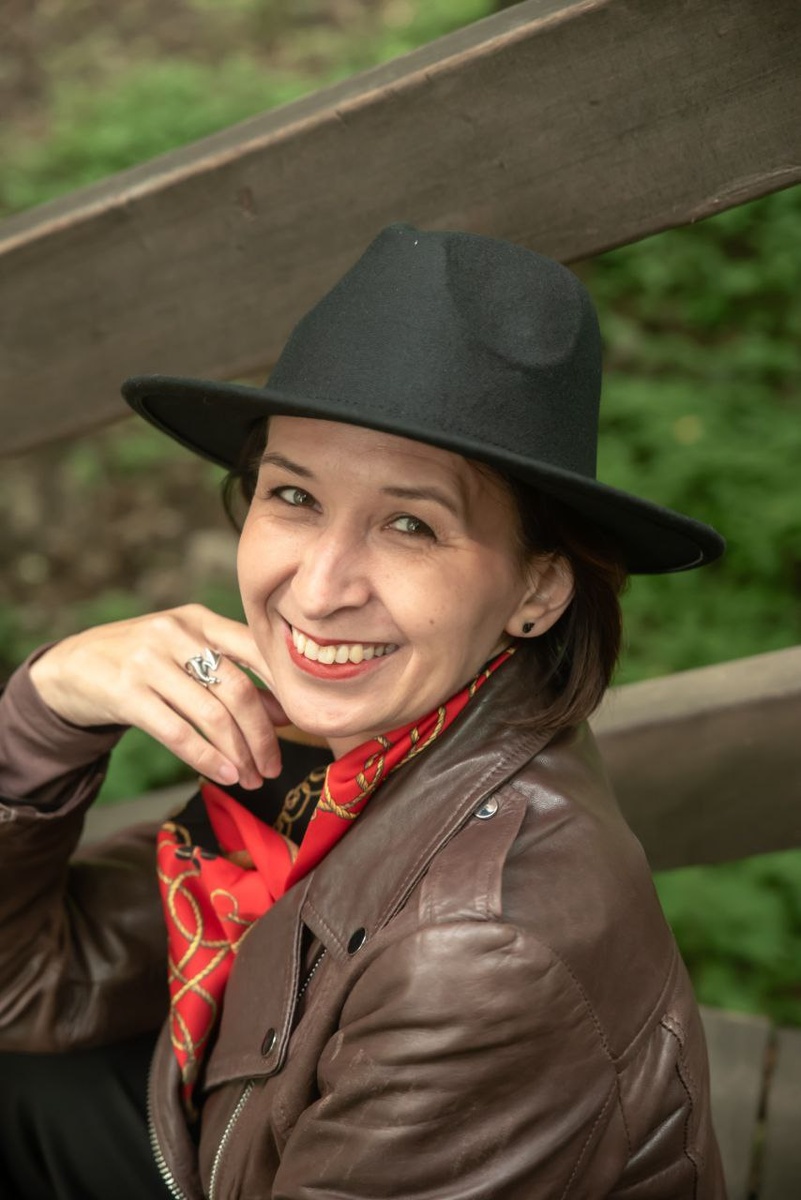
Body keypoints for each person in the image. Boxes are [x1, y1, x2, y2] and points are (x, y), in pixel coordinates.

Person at [0, 223, 727, 1199]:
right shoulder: (353, 745)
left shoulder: (476, 956)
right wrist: (48, 709)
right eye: (294, 497)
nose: (318, 589)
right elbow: (29, 984)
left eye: (410, 524)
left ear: (537, 589)